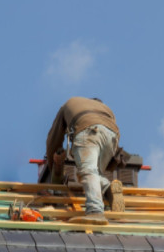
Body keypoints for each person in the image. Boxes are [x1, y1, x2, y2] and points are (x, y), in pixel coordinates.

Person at [46, 96, 124, 225]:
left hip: (87, 131)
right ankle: (108, 188)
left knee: (88, 171)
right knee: (95, 173)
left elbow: (53, 139)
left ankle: (95, 211)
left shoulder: (70, 103)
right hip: (112, 137)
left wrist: (53, 166)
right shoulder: (106, 108)